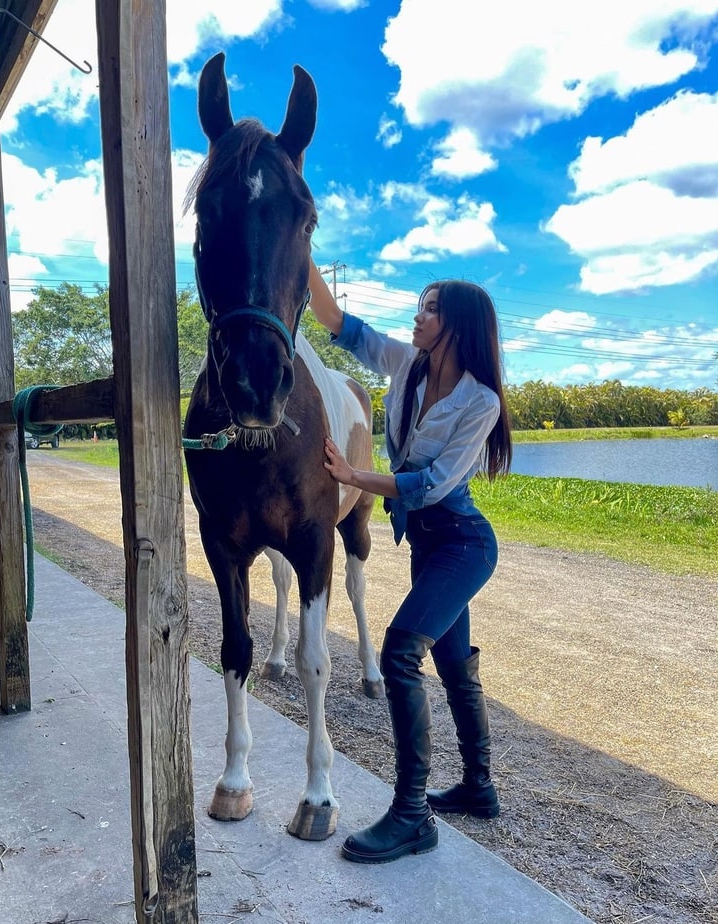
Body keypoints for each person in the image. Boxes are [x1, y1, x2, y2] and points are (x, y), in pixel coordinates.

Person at [308, 260, 512, 864]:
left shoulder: (482, 402)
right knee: (453, 663)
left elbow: (432, 483)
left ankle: (411, 814)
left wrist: (352, 476)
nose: (416, 316)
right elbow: (340, 324)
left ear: (457, 325)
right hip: (429, 544)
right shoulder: (408, 366)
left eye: (428, 308)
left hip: (462, 543)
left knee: (400, 652)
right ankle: (479, 787)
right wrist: (308, 259)